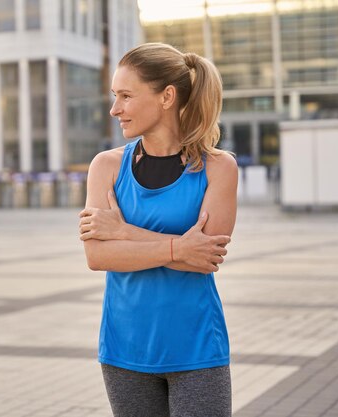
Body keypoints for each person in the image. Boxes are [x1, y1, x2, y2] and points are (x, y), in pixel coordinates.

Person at [79, 42, 238, 417]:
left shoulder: (219, 168)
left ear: (167, 96)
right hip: (124, 351)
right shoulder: (106, 166)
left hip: (197, 349)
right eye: (114, 96)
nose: (115, 109)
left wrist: (124, 231)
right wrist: (179, 248)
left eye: (126, 96)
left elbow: (204, 258)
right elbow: (98, 256)